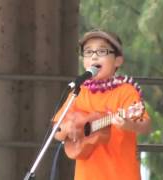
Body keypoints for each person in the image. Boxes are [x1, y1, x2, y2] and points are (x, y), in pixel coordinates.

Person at [54, 29, 151, 180]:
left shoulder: (126, 91)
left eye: (101, 51)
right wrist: (68, 127)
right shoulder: (79, 91)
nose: (93, 56)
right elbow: (57, 131)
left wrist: (127, 124)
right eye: (88, 52)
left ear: (118, 60)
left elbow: (145, 125)